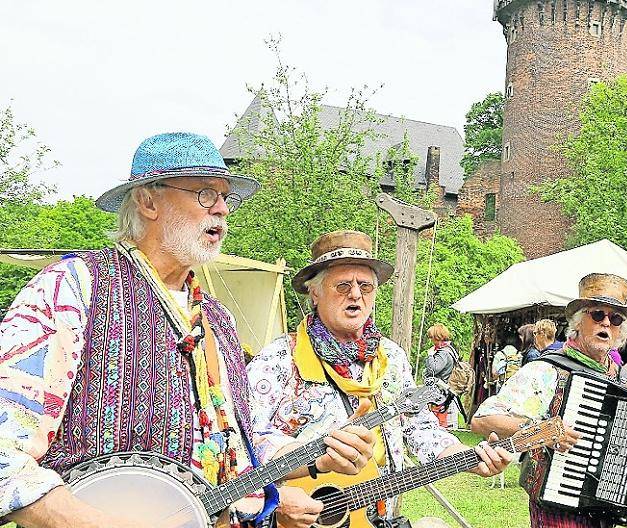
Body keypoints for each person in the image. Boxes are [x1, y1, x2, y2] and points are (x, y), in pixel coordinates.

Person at [0, 133, 375, 528]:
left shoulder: (217, 320)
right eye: (205, 194)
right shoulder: (72, 287)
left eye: (226, 197)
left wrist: (317, 455)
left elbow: (231, 449)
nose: (223, 210)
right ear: (147, 201)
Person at [246, 230, 512, 527]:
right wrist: (294, 481)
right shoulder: (281, 358)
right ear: (315, 293)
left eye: (366, 286)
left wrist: (470, 458)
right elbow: (244, 445)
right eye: (343, 286)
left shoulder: (391, 358)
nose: (356, 295)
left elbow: (419, 429)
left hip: (378, 517)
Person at [471, 273, 627, 528]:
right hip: (558, 512)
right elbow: (482, 419)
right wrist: (543, 431)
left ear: (621, 332)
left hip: (604, 515)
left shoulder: (622, 381)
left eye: (615, 319)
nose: (607, 323)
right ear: (577, 321)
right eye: (598, 314)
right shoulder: (547, 371)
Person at [425, 323, 459, 429]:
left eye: (432, 338)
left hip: (440, 391)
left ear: (437, 338)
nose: (431, 341)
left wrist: (430, 356)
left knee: (438, 420)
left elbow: (433, 370)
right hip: (445, 390)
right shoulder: (450, 349)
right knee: (441, 418)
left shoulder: (443, 353)